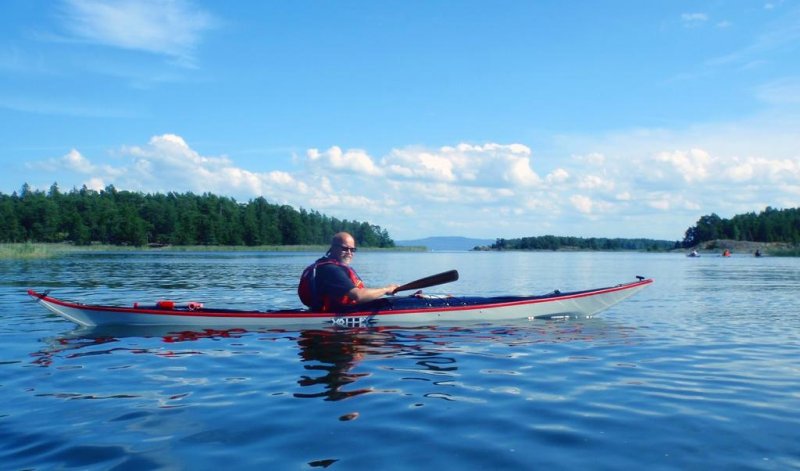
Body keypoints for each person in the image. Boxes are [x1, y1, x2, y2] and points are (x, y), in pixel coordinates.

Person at [298, 232, 399, 312]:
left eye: (352, 249)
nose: (349, 253)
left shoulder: (325, 265)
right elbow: (358, 296)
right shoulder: (331, 270)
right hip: (333, 315)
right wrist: (386, 289)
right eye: (345, 249)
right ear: (333, 248)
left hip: (333, 310)